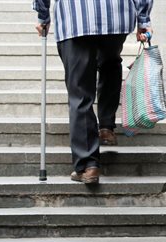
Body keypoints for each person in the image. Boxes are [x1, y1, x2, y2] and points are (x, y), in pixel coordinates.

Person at [32, 0, 154, 184]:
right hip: (115, 15)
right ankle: (106, 126)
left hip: (75, 17)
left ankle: (88, 166)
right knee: (110, 62)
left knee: (80, 91)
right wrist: (143, 19)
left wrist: (43, 15)